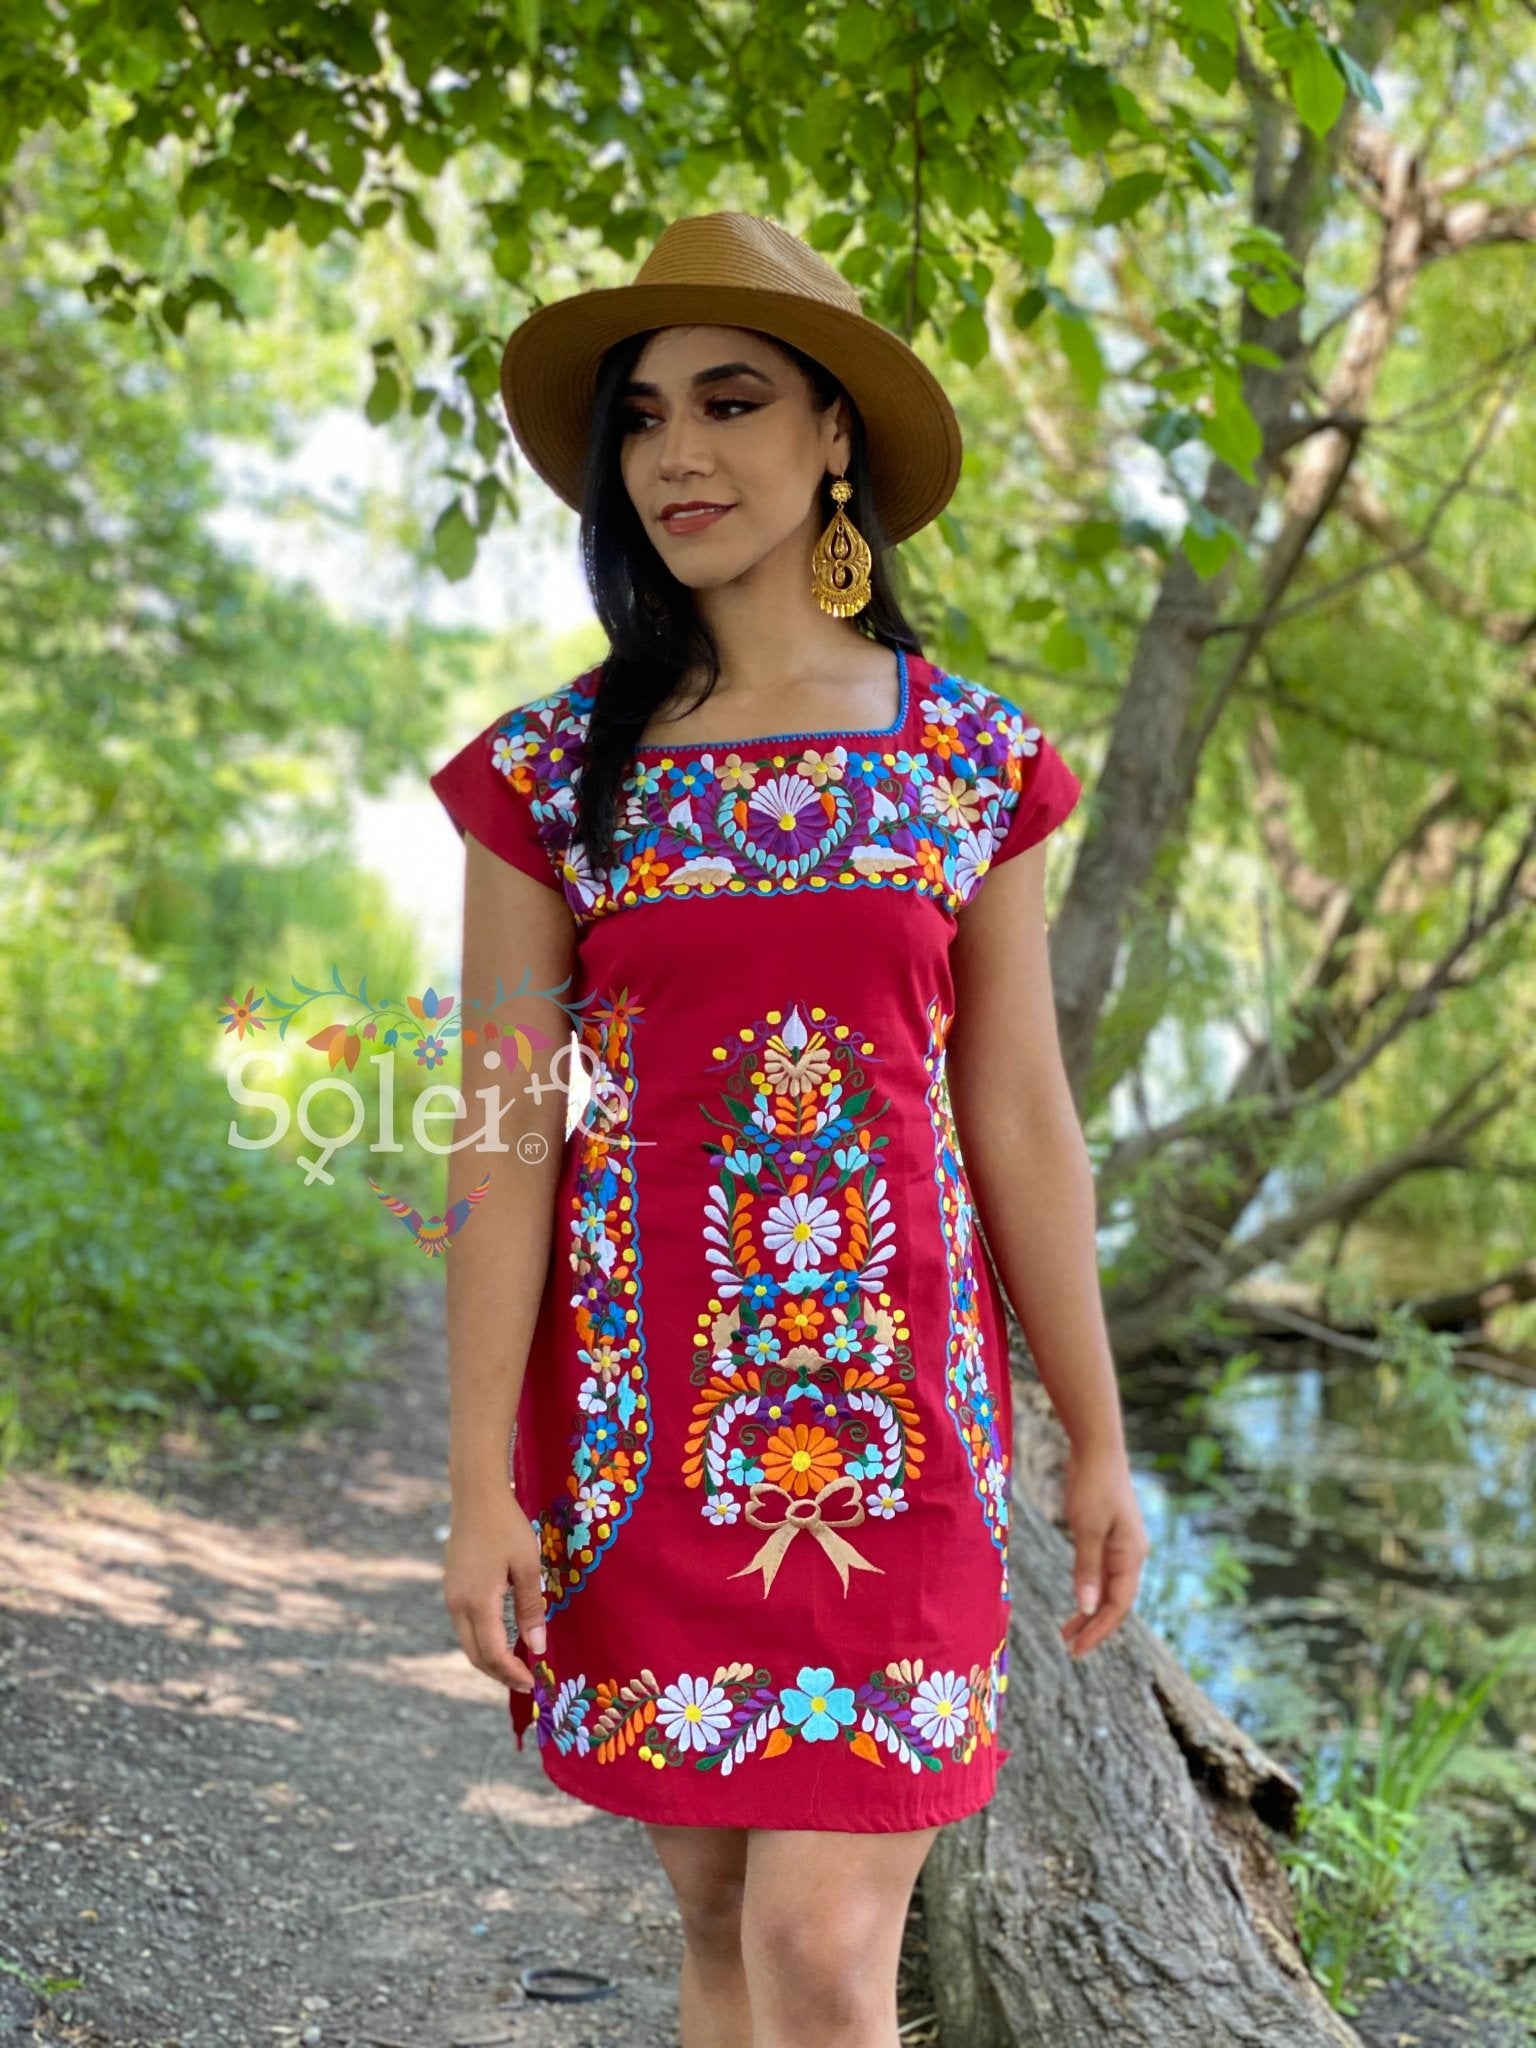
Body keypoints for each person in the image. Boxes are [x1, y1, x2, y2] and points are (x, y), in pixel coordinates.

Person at [429, 211, 1148, 2048]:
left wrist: (1095, 1436)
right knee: (721, 1915)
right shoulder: (544, 778)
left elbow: (1022, 1116)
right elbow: (507, 1136)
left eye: (731, 402)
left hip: (898, 1429)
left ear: (836, 436)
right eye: (646, 417)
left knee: (827, 1955)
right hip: (644, 1427)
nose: (679, 452)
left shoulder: (971, 764)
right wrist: (479, 1485)